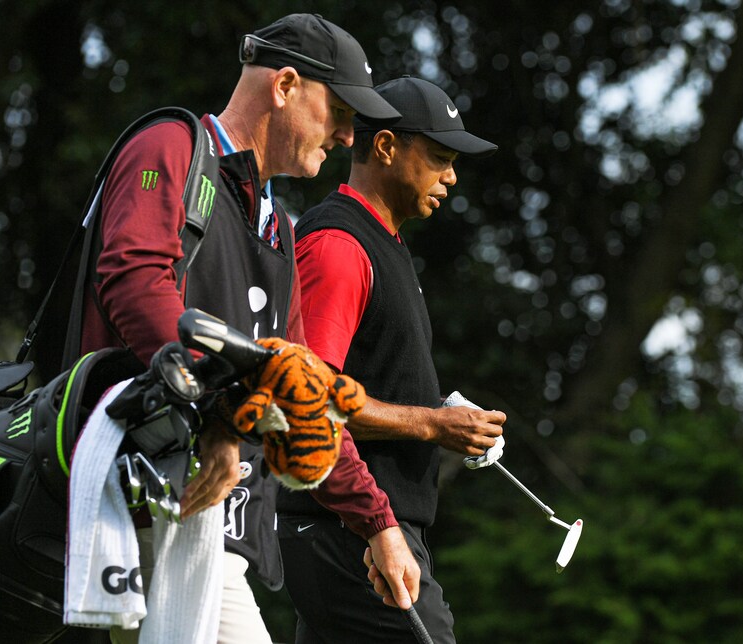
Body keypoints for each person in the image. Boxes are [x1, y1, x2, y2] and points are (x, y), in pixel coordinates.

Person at [75, 13, 420, 642]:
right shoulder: (171, 148)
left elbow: (302, 397)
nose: (348, 136)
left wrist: (378, 523)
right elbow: (132, 280)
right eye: (340, 110)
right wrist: (218, 415)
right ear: (285, 86)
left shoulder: (281, 232)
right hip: (134, 504)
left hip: (203, 533)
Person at [278, 76, 506, 643]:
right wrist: (431, 424)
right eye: (439, 158)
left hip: (360, 528)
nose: (451, 177)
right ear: (385, 147)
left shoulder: (385, 245)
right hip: (349, 529)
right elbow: (307, 396)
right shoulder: (339, 246)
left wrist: (440, 411)